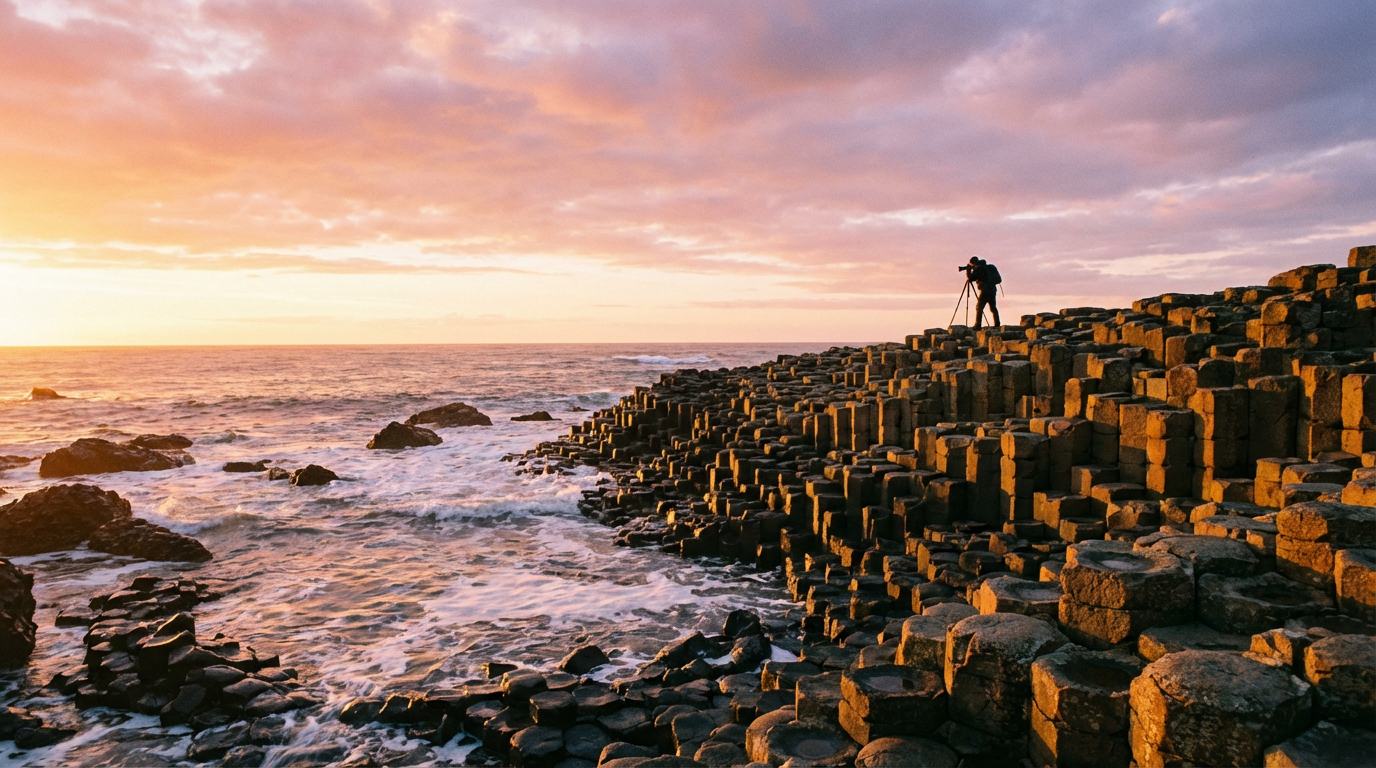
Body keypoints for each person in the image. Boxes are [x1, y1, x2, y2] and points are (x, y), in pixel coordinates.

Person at [965, 257, 1000, 329]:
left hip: (985, 290)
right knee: (993, 307)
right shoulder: (988, 267)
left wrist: (968, 271)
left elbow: (970, 279)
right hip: (992, 289)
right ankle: (997, 324)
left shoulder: (979, 268)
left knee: (979, 307)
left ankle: (978, 325)